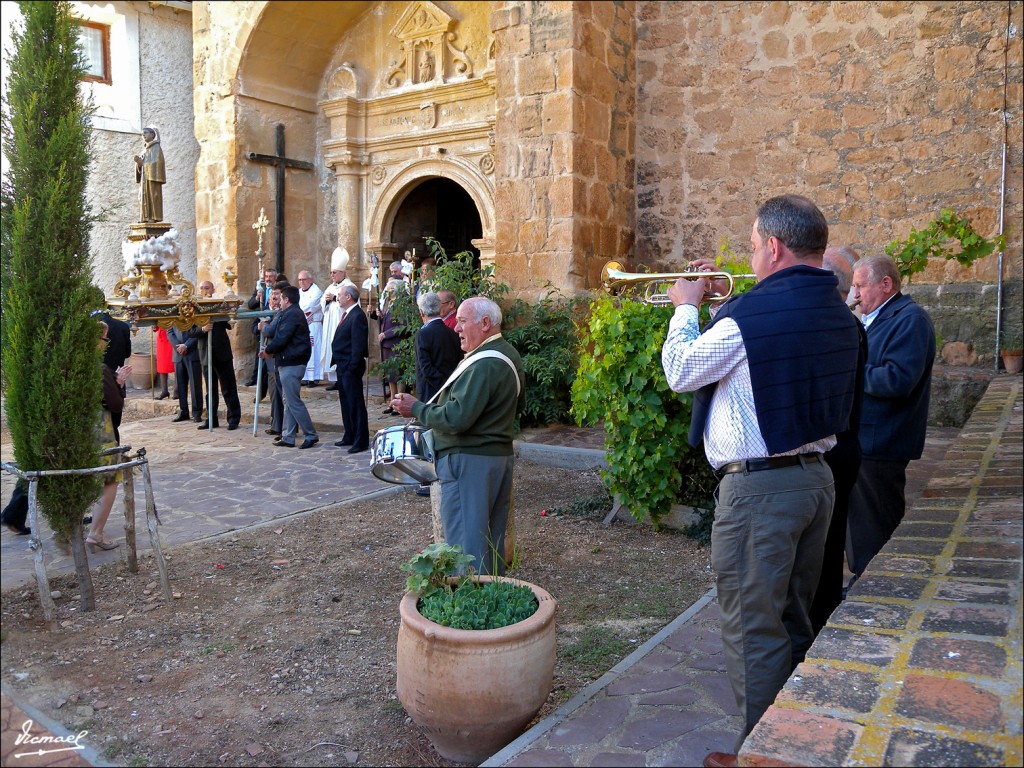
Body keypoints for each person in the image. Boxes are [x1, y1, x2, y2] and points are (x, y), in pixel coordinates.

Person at [660, 195, 861, 768]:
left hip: (762, 492)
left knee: (754, 629)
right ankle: (791, 741)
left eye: (751, 247)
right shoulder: (839, 313)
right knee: (793, 618)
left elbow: (680, 371)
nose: (748, 259)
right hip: (815, 483)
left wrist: (684, 308)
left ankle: (762, 754)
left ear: (773, 247)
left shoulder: (753, 315)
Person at [392, 297, 526, 577]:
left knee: (466, 546)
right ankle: (491, 600)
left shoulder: (484, 363)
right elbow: (518, 406)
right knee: (490, 540)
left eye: (463, 321)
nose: (456, 328)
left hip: (470, 462)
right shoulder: (507, 354)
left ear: (485, 323)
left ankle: (470, 605)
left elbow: (457, 418)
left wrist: (416, 408)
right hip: (496, 458)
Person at [846, 254, 936, 578]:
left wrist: (850, 371)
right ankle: (863, 585)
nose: (855, 294)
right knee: (860, 522)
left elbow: (897, 379)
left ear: (886, 285)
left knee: (876, 524)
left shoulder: (910, 319)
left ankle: (875, 588)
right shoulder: (877, 316)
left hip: (882, 441)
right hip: (866, 438)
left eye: (860, 286)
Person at [810, 246, 868, 635]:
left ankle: (813, 622)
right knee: (828, 547)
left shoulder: (829, 327)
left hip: (829, 451)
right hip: (845, 448)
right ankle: (821, 615)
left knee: (820, 548)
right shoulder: (852, 326)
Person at [413, 291, 462, 496]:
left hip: (431, 393)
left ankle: (428, 480)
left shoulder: (423, 333)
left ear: (422, 311)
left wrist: (439, 388)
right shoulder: (451, 332)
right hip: (450, 389)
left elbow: (425, 368)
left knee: (427, 436)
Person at [87, 322, 131, 552]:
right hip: (99, 433)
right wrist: (120, 384)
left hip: (77, 433)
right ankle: (96, 532)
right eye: (104, 340)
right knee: (108, 480)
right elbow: (114, 404)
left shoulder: (65, 365)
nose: (105, 345)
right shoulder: (98, 368)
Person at [260, 283, 319, 449]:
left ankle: (311, 434)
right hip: (288, 360)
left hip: (292, 362)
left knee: (293, 401)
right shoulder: (290, 313)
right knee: (288, 400)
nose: (279, 302)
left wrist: (269, 350)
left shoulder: (292, 314)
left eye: (281, 299)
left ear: (287, 299)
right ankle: (288, 436)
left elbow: (282, 337)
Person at [190, 281, 242, 431]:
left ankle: (234, 418)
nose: (205, 290)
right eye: (202, 288)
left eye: (207, 288)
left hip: (222, 352)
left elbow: (229, 322)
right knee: (210, 389)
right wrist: (203, 329)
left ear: (213, 289)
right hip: (206, 354)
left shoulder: (219, 305)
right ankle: (211, 419)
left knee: (228, 387)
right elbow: (190, 332)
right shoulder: (195, 310)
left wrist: (223, 312)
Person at [329, 285, 370, 454]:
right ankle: (349, 434)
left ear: (349, 297)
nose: (337, 297)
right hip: (342, 365)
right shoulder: (348, 314)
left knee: (355, 404)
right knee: (346, 404)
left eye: (340, 295)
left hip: (350, 367)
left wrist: (352, 366)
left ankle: (361, 440)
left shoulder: (357, 316)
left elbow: (358, 344)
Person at [320, 247, 356, 391]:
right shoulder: (330, 286)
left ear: (343, 272)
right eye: (331, 272)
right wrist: (327, 301)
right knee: (330, 349)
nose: (332, 275)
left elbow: (352, 304)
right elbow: (322, 304)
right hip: (330, 323)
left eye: (334, 272)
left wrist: (335, 298)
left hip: (341, 324)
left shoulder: (350, 287)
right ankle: (335, 380)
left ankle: (341, 378)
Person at [258, 283, 286, 436]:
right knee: (274, 393)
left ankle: (288, 427)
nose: (274, 297)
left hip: (278, 355)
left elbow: (275, 331)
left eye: (277, 294)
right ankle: (276, 424)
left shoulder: (283, 313)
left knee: (284, 394)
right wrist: (260, 326)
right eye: (272, 294)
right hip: (268, 358)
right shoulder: (266, 312)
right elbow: (254, 329)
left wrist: (265, 327)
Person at [245, 267, 278, 387]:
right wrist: (257, 297)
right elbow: (250, 305)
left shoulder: (279, 288)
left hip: (273, 320)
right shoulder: (261, 288)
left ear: (275, 277)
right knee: (258, 353)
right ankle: (255, 379)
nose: (268, 279)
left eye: (271, 276)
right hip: (261, 318)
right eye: (267, 276)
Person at [168, 324, 203, 423]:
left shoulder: (194, 311)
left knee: (195, 385)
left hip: (192, 352)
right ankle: (183, 411)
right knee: (180, 385)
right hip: (178, 354)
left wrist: (186, 345)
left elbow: (199, 330)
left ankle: (197, 412)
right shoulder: (173, 312)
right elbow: (170, 331)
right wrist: (178, 347)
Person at [297, 270, 324, 387]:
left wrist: (298, 311)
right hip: (302, 325)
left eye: (304, 279)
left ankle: (314, 377)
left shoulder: (317, 292)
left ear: (310, 280)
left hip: (313, 325)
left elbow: (307, 307)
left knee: (314, 351)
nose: (302, 282)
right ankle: (305, 377)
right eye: (300, 280)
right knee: (303, 350)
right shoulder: (298, 292)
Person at [134, 126, 166, 223]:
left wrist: (143, 163)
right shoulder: (144, 150)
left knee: (153, 196)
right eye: (142, 134)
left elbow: (158, 163)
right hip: (144, 179)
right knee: (142, 197)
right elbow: (141, 165)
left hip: (152, 179)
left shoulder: (156, 147)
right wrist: (138, 165)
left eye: (146, 133)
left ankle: (153, 217)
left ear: (152, 135)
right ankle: (144, 217)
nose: (143, 135)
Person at [153, 327, 174, 399]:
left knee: (176, 364)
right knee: (162, 365)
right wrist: (154, 327)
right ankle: (164, 391)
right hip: (162, 337)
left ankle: (177, 391)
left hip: (173, 334)